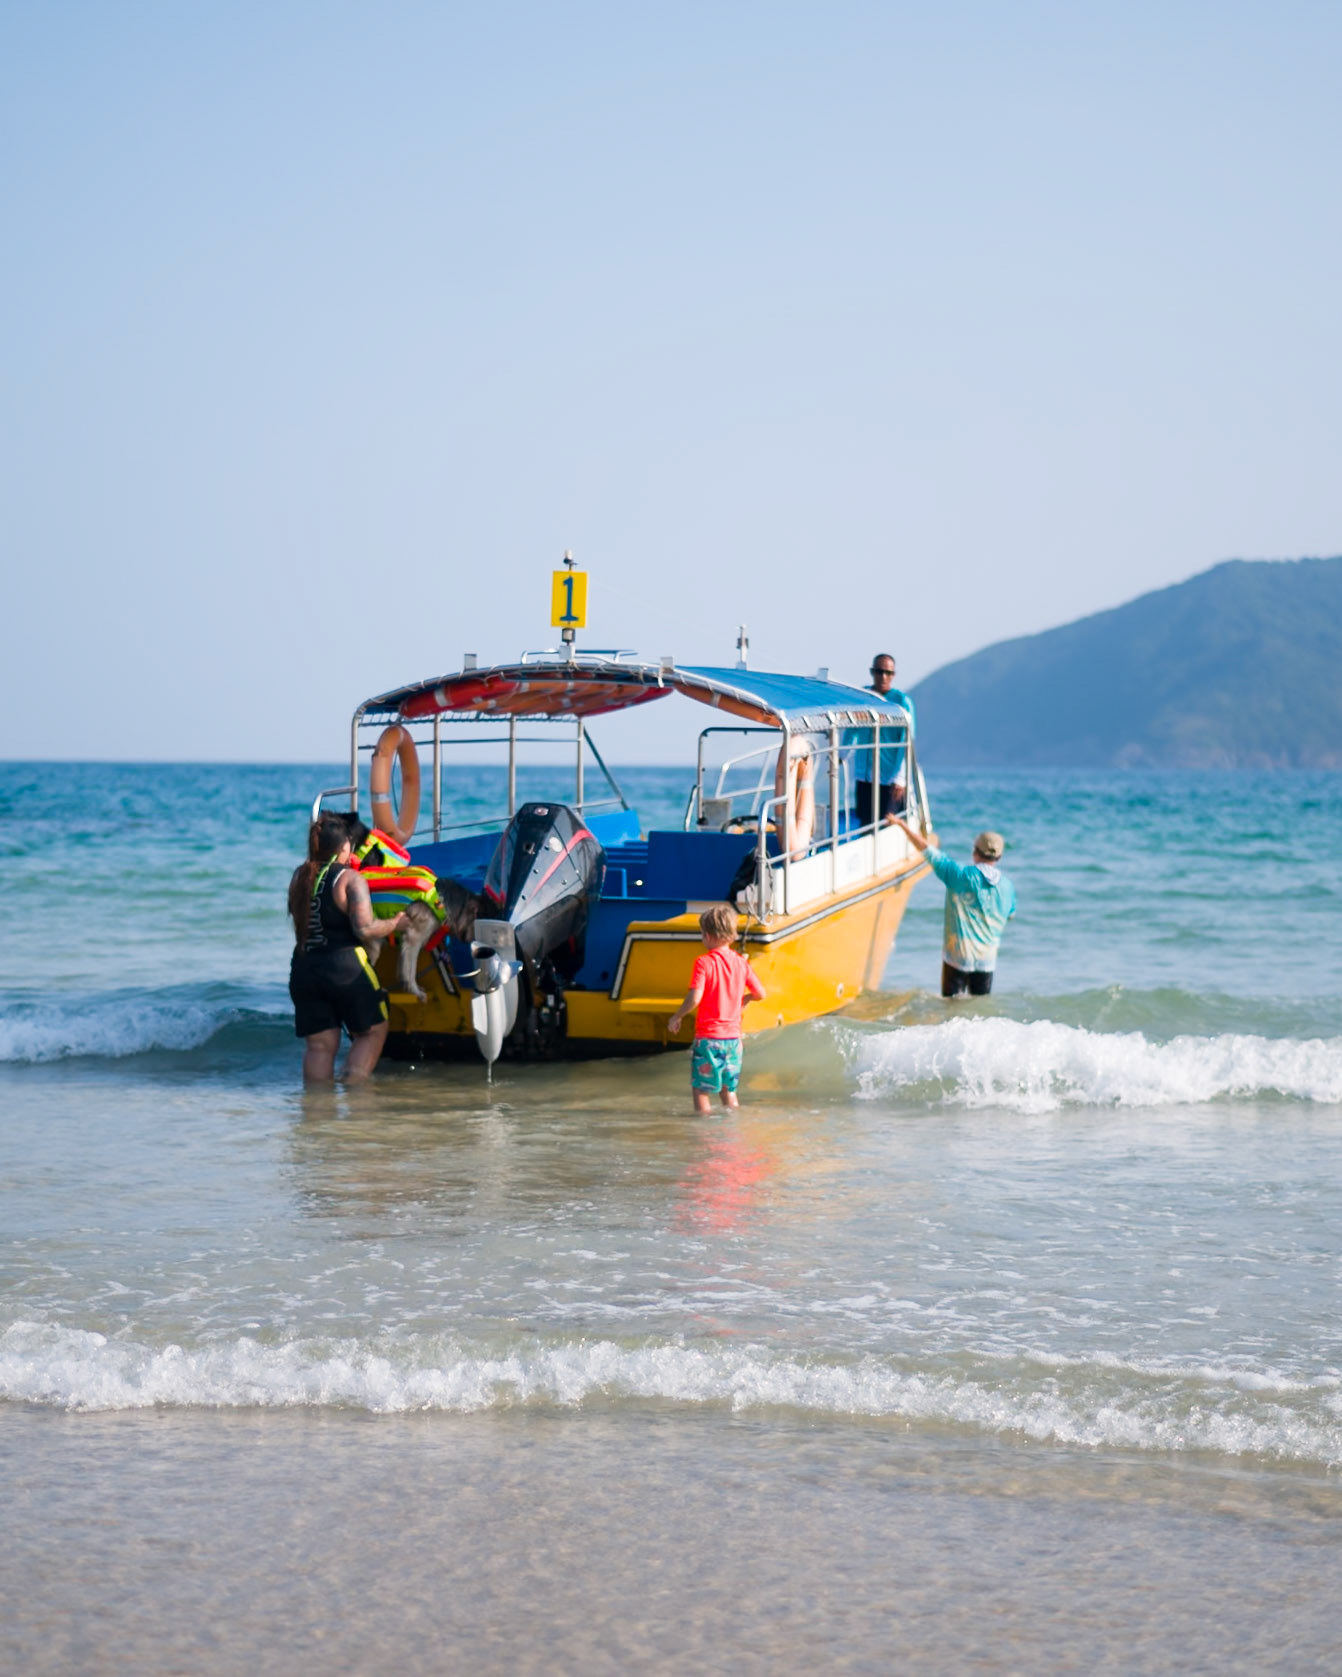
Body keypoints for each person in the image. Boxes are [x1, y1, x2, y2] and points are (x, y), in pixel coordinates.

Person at [287, 812, 406, 1081]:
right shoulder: (351, 879)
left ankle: (317, 1113)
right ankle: (356, 1100)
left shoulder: (298, 878)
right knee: (373, 1031)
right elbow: (364, 928)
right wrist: (396, 923)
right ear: (345, 847)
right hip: (344, 968)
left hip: (304, 968)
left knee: (319, 1047)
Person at [893, 817, 1016, 997]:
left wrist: (901, 825)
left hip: (957, 958)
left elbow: (928, 851)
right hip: (987, 961)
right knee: (979, 1011)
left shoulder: (959, 875)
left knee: (951, 1009)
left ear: (975, 851)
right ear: (999, 856)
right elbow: (1009, 915)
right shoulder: (1008, 887)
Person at [667, 903, 766, 1113]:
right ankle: (731, 1128)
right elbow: (761, 994)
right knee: (728, 1090)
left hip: (709, 1040)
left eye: (702, 934)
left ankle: (705, 1133)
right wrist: (745, 999)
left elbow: (695, 999)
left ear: (710, 935)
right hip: (734, 1041)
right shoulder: (741, 963)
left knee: (701, 1090)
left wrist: (677, 1016)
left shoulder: (704, 963)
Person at [848, 654, 917, 827]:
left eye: (888, 672)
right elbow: (851, 727)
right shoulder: (862, 696)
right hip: (864, 774)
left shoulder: (902, 701)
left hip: (889, 776)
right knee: (865, 821)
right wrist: (841, 754)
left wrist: (900, 777)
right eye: (879, 672)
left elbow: (908, 739)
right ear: (872, 672)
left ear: (893, 674)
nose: (883, 677)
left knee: (889, 822)